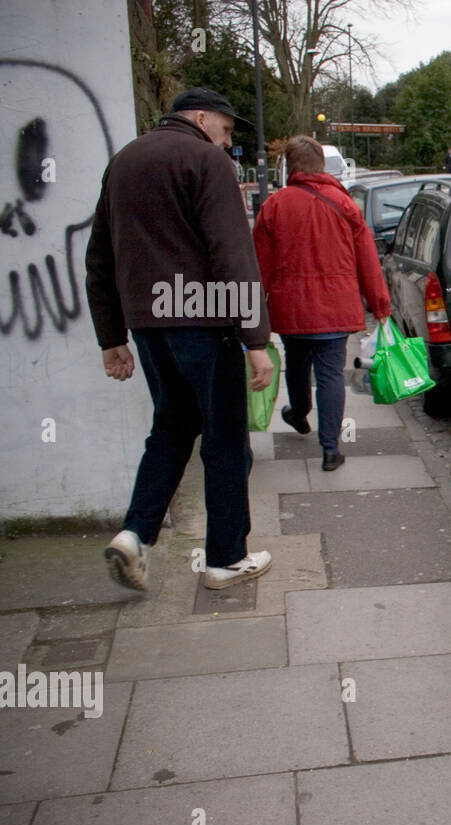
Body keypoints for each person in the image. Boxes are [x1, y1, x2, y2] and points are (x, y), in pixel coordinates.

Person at [87, 88, 274, 591]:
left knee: (171, 425)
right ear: (199, 117)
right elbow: (232, 254)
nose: (227, 138)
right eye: (226, 127)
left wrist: (111, 337)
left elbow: (100, 255)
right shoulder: (206, 160)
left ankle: (134, 534)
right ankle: (225, 560)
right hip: (204, 321)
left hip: (149, 326)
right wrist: (255, 339)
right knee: (226, 439)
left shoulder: (122, 161)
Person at [253, 135, 393, 471]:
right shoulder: (344, 205)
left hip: (290, 306)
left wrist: (252, 313)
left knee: (297, 363)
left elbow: (259, 266)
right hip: (336, 305)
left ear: (290, 165)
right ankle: (331, 449)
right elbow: (367, 262)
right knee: (331, 375)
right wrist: (381, 306)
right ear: (321, 165)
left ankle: (298, 412)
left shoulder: (274, 206)